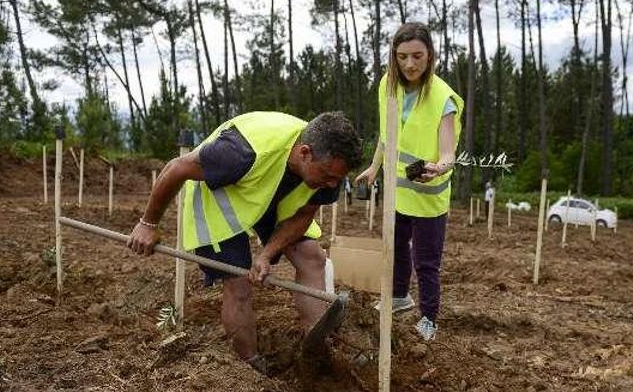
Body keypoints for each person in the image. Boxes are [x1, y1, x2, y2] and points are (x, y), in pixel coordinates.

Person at [127, 111, 362, 373]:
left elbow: (304, 215)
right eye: (328, 175)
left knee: (313, 258)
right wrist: (148, 224)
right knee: (238, 282)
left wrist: (267, 253)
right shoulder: (239, 152)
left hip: (269, 196)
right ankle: (250, 368)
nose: (332, 184)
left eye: (338, 179)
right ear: (305, 153)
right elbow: (176, 167)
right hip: (219, 201)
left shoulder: (330, 169)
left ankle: (316, 350)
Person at [355, 22, 464, 342]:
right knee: (397, 248)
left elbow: (448, 153)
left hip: (428, 194)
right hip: (397, 191)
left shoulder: (443, 97)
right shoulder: (388, 85)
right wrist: (373, 168)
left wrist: (440, 168)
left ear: (430, 56)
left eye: (417, 56)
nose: (410, 64)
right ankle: (400, 296)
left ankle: (429, 318)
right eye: (402, 57)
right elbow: (388, 136)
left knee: (426, 262)